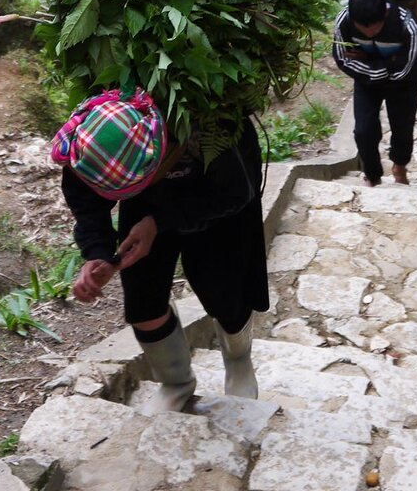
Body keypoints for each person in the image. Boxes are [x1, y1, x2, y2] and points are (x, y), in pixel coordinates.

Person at [55, 88, 267, 412]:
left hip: (217, 202)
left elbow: (237, 191)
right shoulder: (93, 139)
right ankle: (176, 382)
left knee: (226, 292)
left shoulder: (213, 127)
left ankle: (239, 360)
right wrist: (98, 252)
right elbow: (86, 201)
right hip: (145, 204)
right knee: (143, 299)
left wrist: (160, 221)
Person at [332, 0, 417, 187]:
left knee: (402, 127)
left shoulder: (408, 26)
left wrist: (367, 59)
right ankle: (372, 174)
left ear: (385, 13)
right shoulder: (344, 21)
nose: (368, 33)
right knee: (363, 130)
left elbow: (409, 68)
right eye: (362, 28)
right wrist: (387, 64)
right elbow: (344, 59)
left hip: (404, 85)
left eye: (374, 27)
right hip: (367, 81)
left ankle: (399, 166)